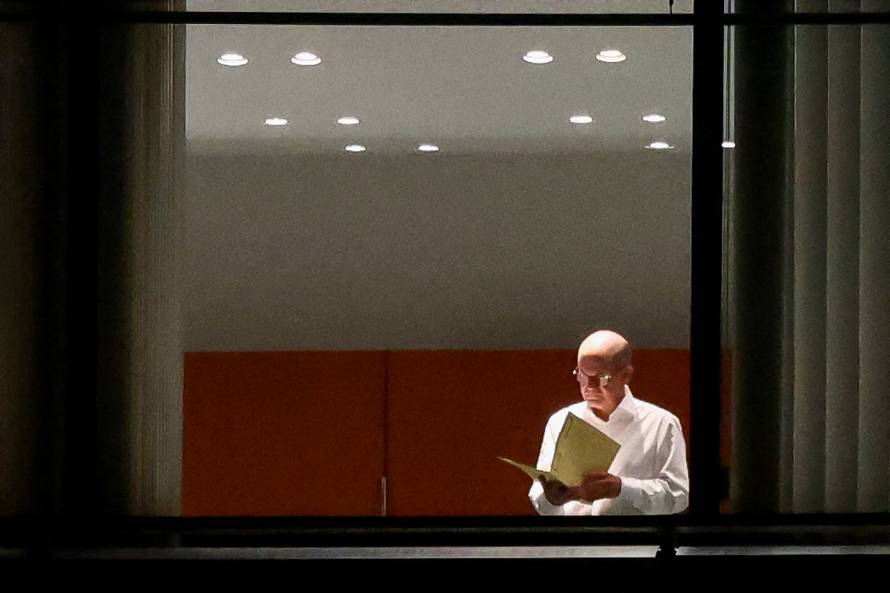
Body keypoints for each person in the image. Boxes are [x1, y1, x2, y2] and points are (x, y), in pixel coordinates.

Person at [529, 330, 689, 515]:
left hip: (635, 542)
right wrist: (550, 498)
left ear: (626, 375)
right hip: (573, 541)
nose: (589, 386)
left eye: (601, 378)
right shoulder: (559, 421)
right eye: (582, 374)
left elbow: (678, 497)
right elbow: (539, 494)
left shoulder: (661, 424)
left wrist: (620, 488)